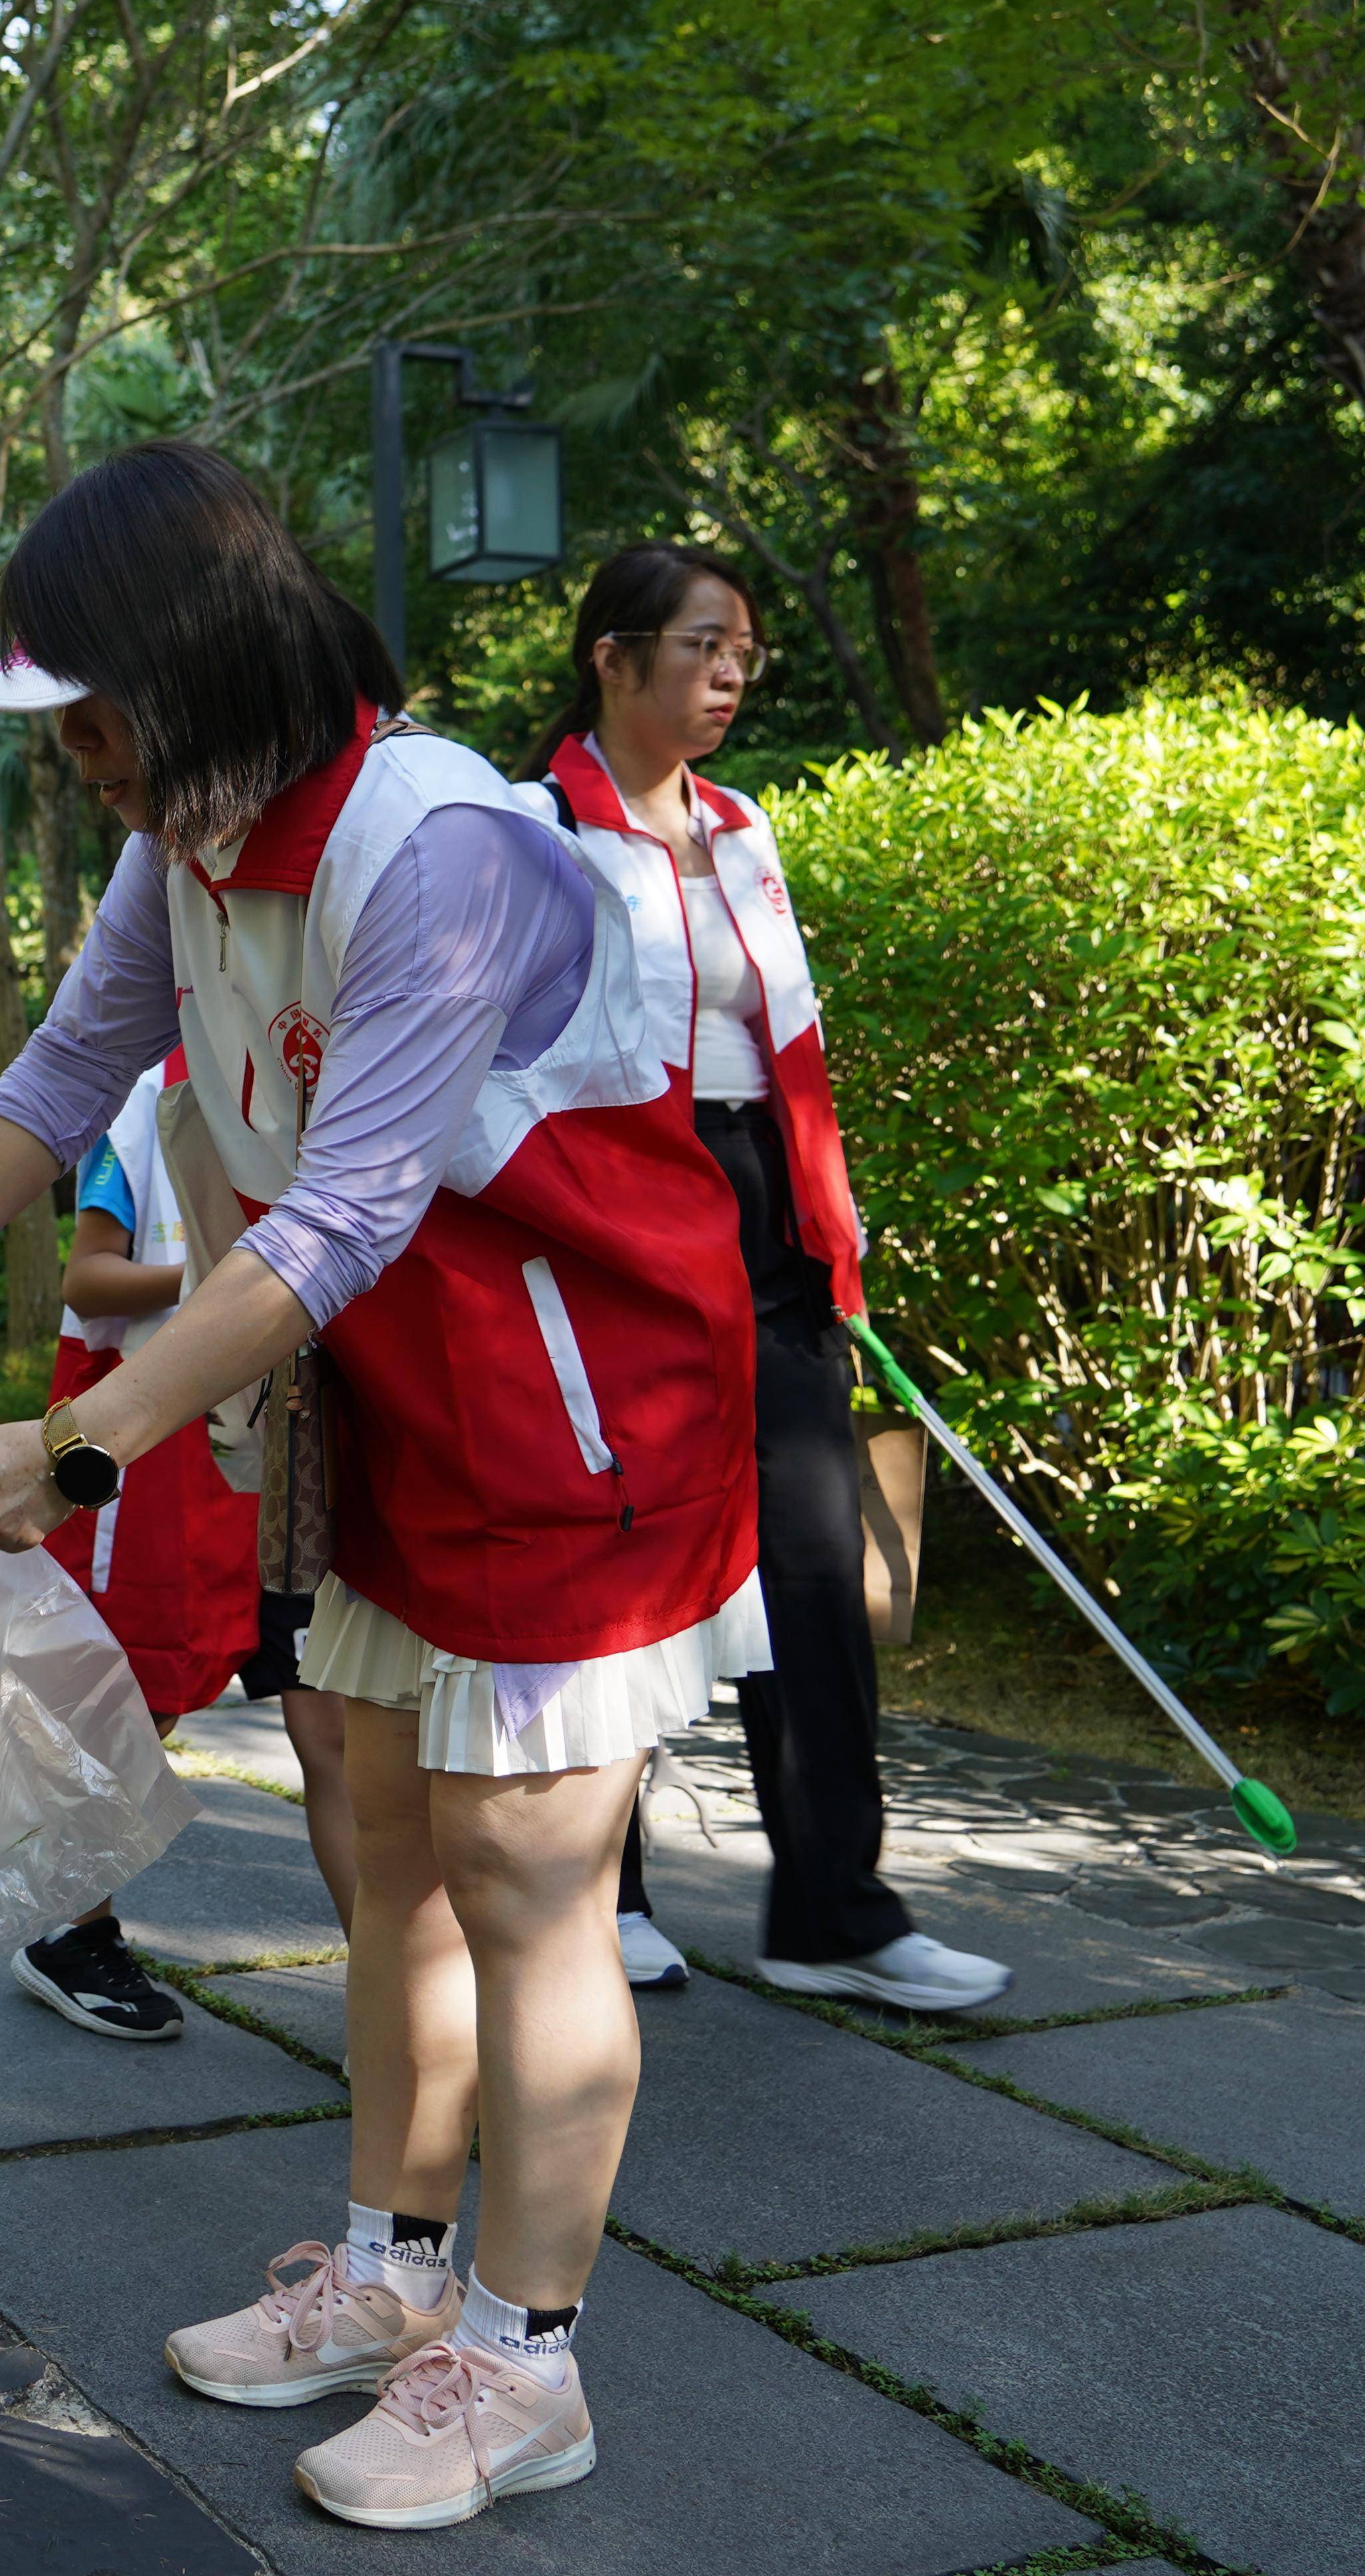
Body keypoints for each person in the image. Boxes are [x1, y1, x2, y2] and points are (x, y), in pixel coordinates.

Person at [0, 441, 761, 2532]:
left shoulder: (431, 845)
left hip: (565, 1408)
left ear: (195, 667)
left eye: (87, 713)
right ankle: (391, 2272)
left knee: (527, 1876)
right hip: (377, 1410)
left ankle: (525, 2362)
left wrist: (67, 1451)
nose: (72, 759)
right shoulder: (197, 832)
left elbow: (340, 1213)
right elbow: (68, 1074)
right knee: (390, 1859)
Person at [522, 547, 1010, 2016]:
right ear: (612, 656)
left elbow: (789, 1056)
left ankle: (833, 1909)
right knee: (629, 1563)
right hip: (619, 1224)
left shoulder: (744, 826)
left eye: (746, 650)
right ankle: (601, 1889)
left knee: (813, 1562)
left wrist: (832, 1237)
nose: (732, 672)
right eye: (703, 644)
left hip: (769, 1225)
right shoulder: (531, 829)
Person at [14, 1055, 252, 2040]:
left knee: (287, 1702)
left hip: (270, 1423)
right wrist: (237, 1275)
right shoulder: (150, 1093)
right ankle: (73, 1928)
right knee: (134, 1688)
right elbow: (88, 1273)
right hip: (152, 1421)